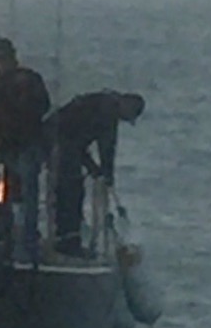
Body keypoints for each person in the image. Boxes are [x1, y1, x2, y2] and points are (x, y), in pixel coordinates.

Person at [50, 88, 146, 255]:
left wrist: (95, 169)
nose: (124, 120)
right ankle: (67, 239)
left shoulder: (104, 102)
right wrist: (106, 174)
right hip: (57, 140)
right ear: (127, 105)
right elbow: (106, 146)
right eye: (129, 116)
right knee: (71, 189)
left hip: (62, 139)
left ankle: (68, 235)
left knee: (71, 188)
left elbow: (79, 142)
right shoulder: (108, 110)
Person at [0, 37, 51, 264]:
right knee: (16, 194)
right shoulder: (29, 79)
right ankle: (15, 237)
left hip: (15, 147)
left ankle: (9, 236)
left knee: (12, 193)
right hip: (19, 145)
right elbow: (43, 107)